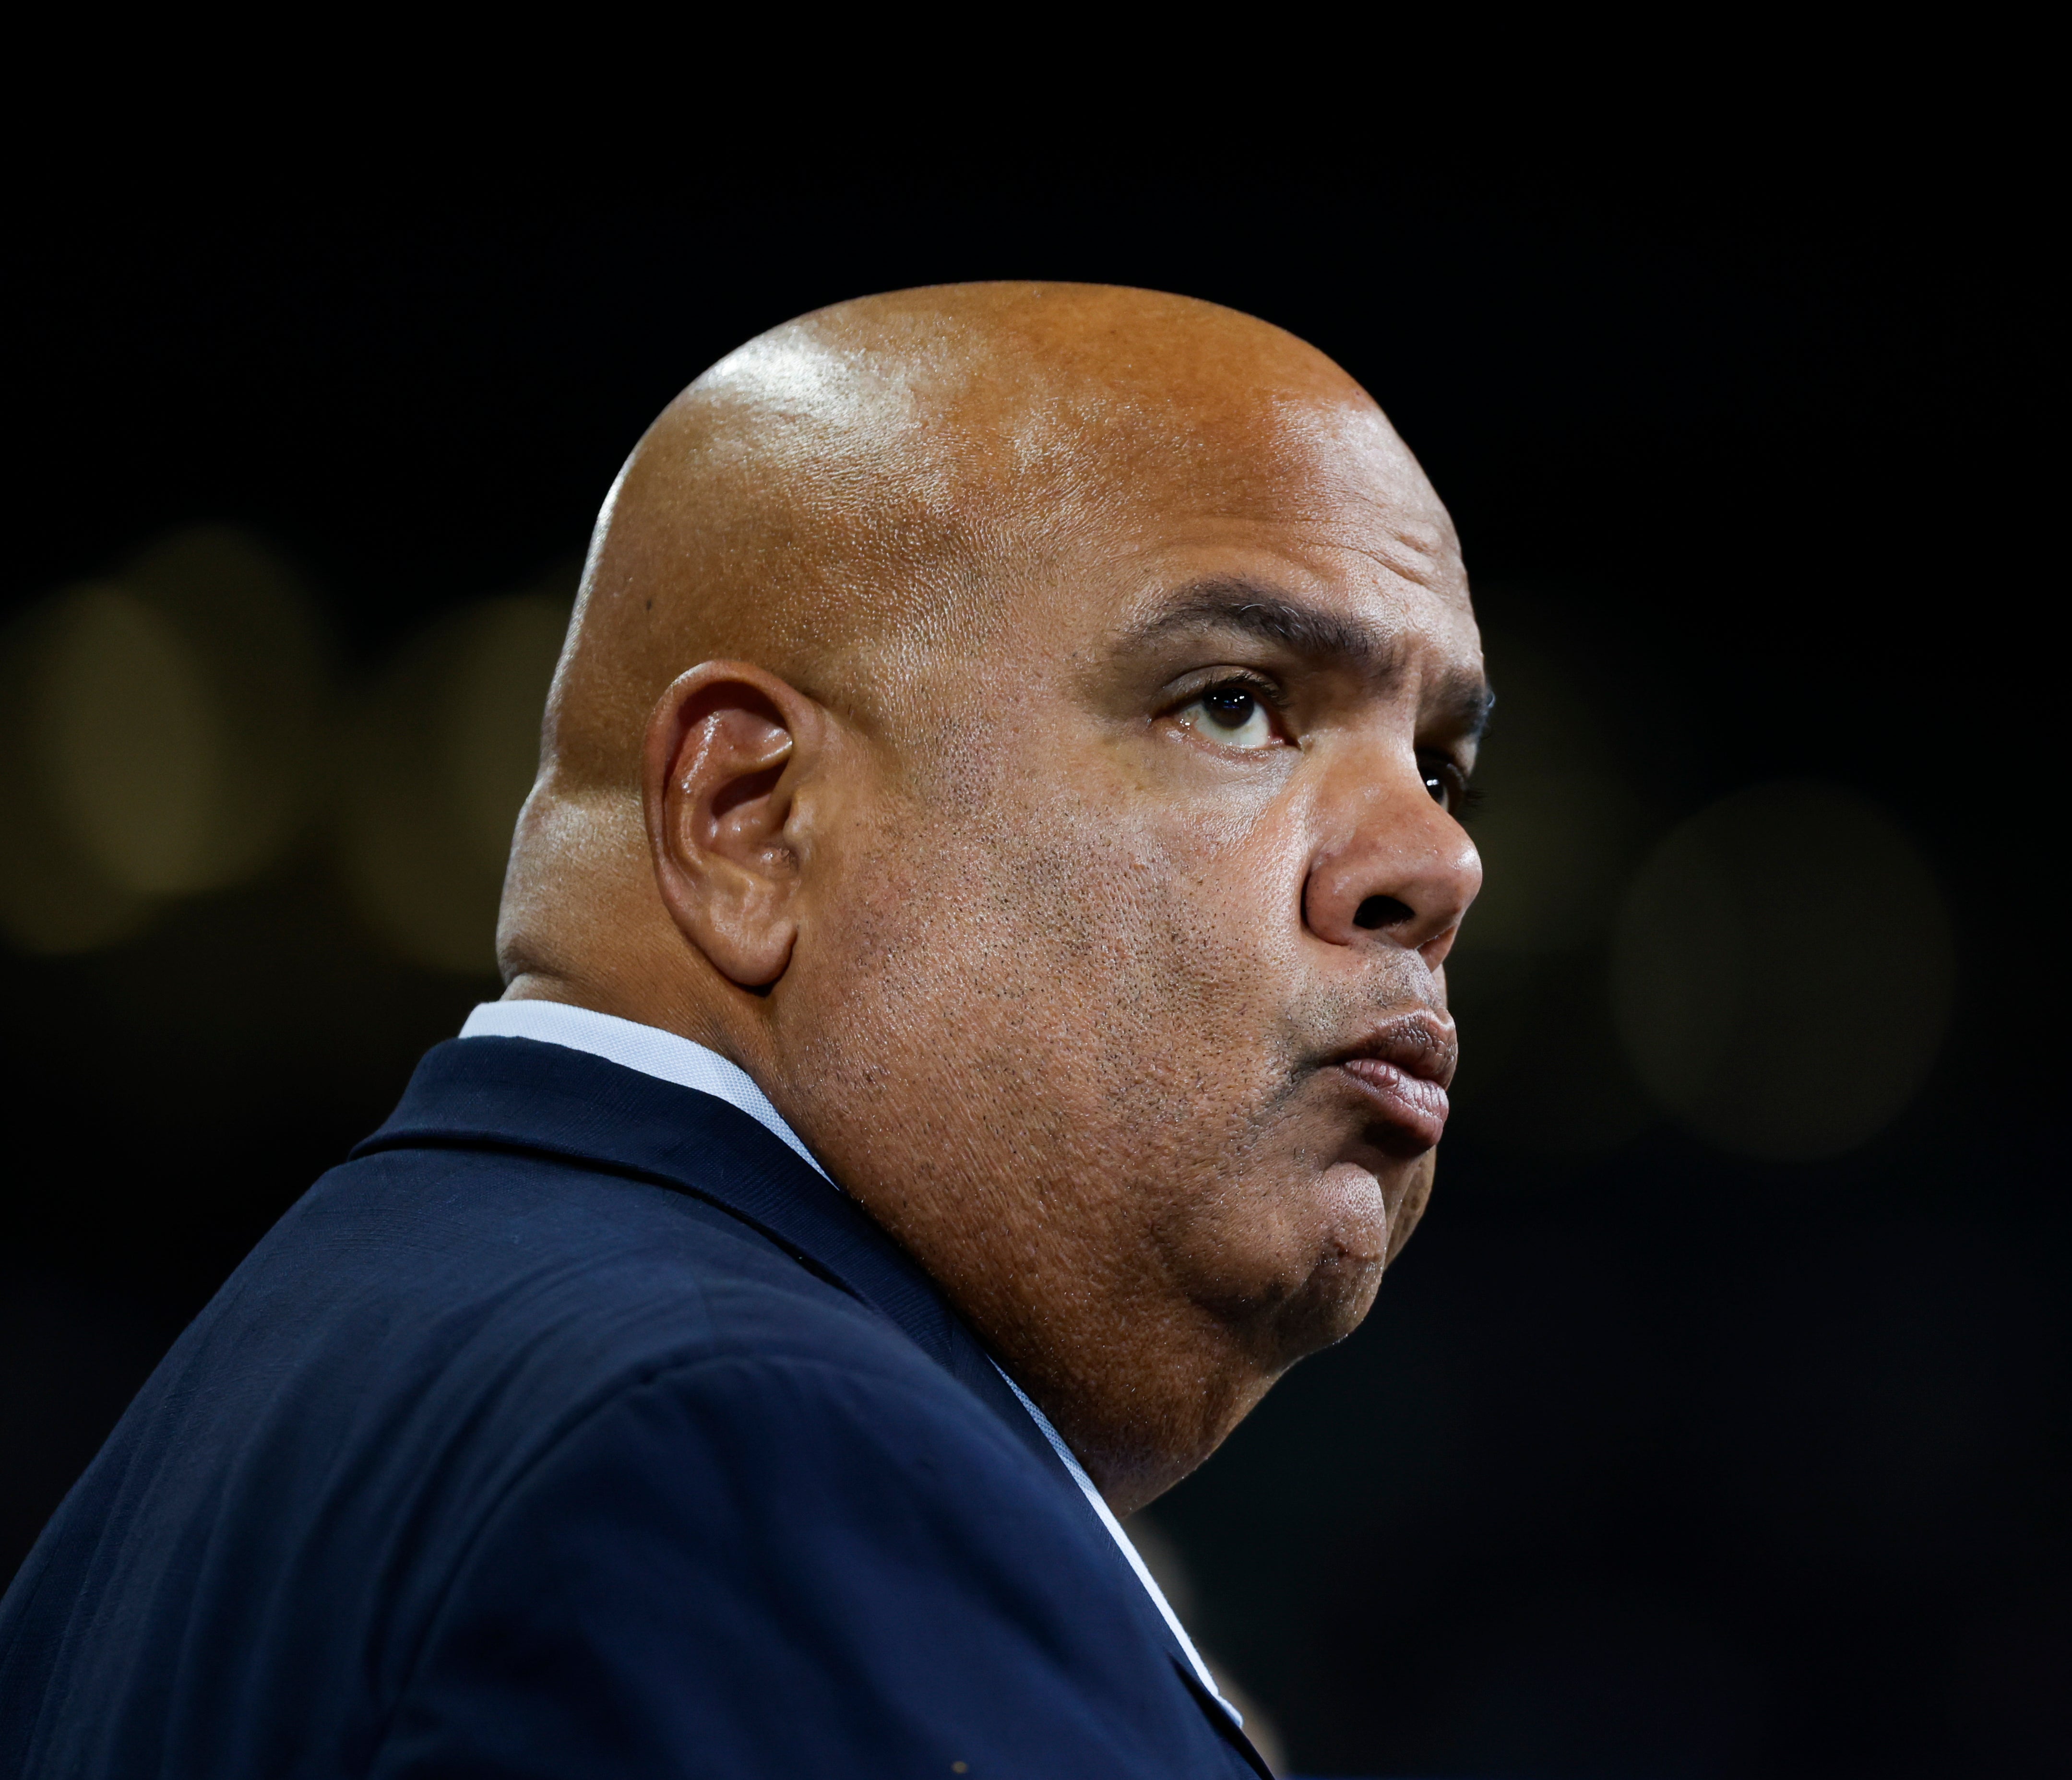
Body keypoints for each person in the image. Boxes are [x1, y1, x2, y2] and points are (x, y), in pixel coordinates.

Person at [0, 283, 1488, 1778]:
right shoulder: (740, 1446)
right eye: (1232, 702)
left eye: (1439, 765)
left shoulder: (358, 1361)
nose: (1436, 863)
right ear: (749, 822)